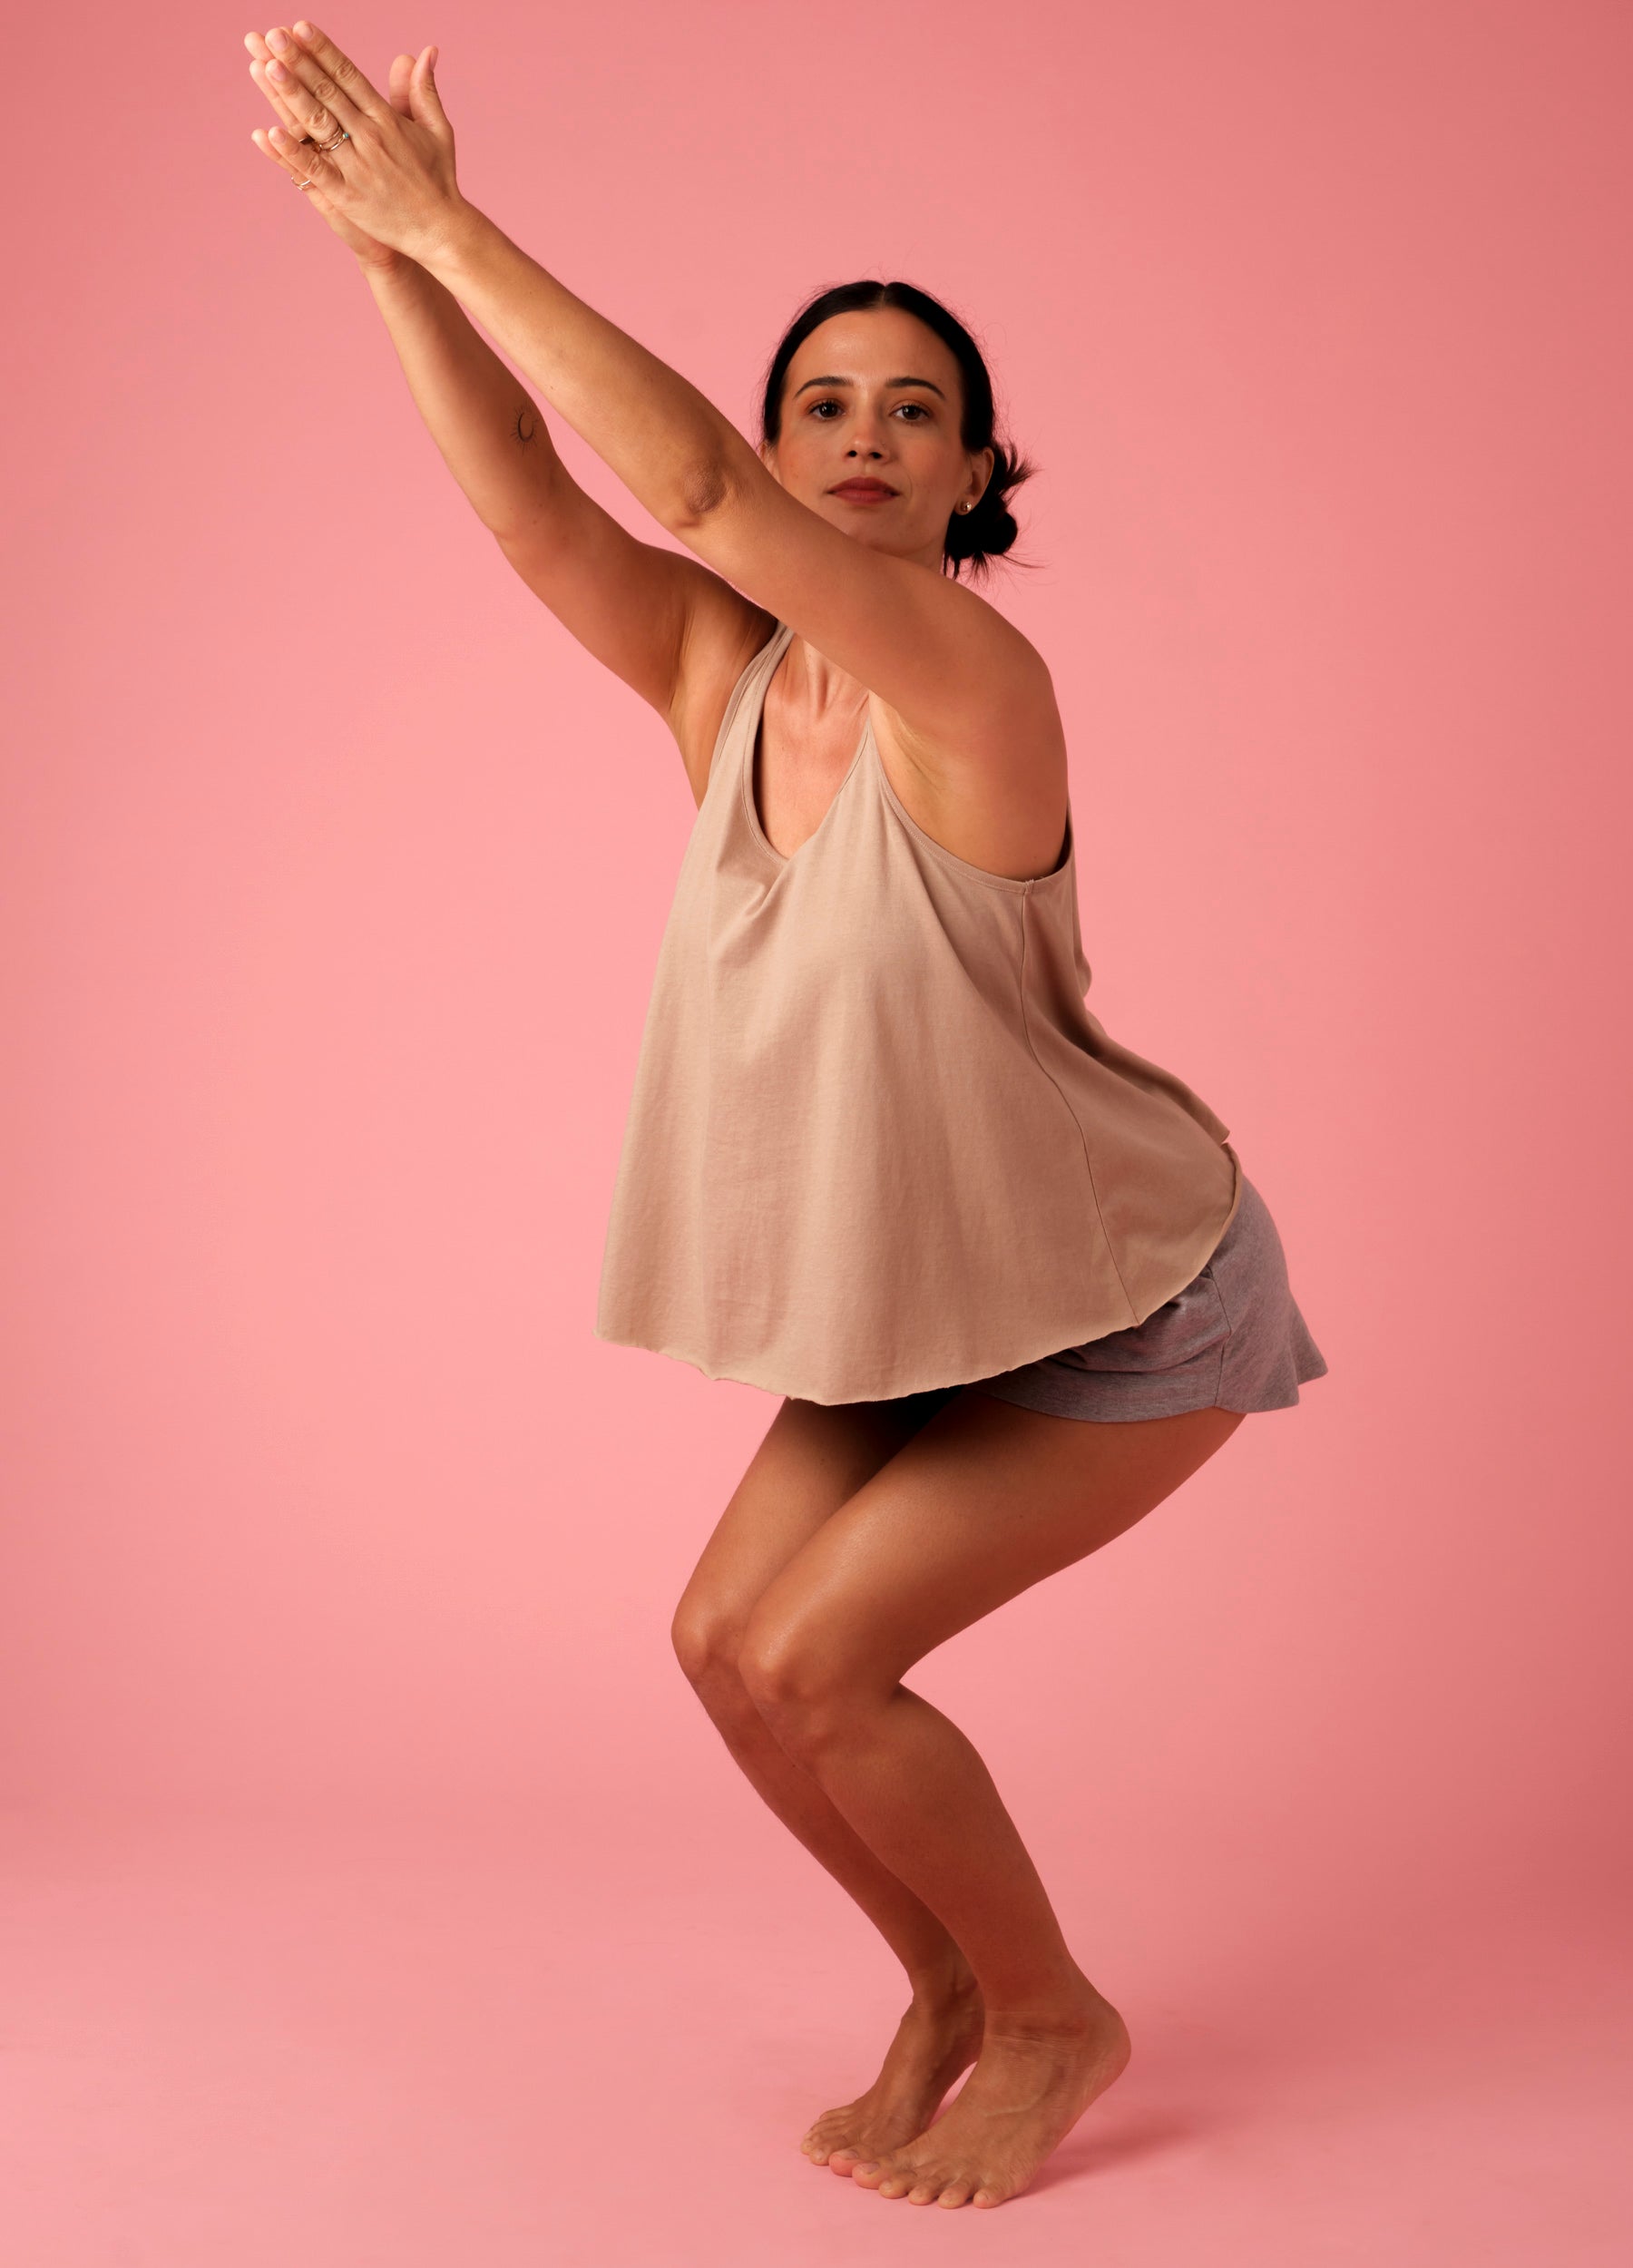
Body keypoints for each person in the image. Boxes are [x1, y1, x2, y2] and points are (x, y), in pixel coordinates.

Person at [245, 24, 1329, 2212]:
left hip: (1132, 1287)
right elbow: (540, 495)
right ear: (774, 430)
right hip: (938, 1282)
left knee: (826, 1660)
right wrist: (383, 254)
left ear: (974, 475)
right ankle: (948, 1976)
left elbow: (690, 497)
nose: (862, 435)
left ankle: (1054, 2010)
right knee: (723, 1651)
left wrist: (453, 213)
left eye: (913, 410)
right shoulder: (723, 683)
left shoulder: (974, 683)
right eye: (822, 401)